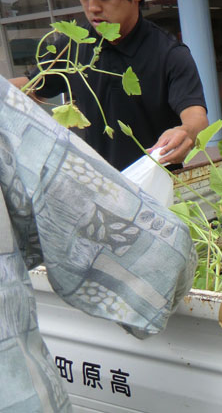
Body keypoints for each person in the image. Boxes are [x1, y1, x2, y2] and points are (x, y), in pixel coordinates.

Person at [0, 75, 197, 411]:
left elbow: (196, 114)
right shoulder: (68, 50)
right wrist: (166, 255)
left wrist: (187, 131)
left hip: (138, 174)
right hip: (107, 185)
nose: (94, 17)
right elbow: (54, 176)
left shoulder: (165, 51)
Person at [10, 0, 208, 171]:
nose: (92, 7)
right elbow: (30, 86)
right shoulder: (72, 45)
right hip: (102, 185)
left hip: (159, 183)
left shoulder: (169, 53)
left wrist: (185, 132)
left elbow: (196, 117)